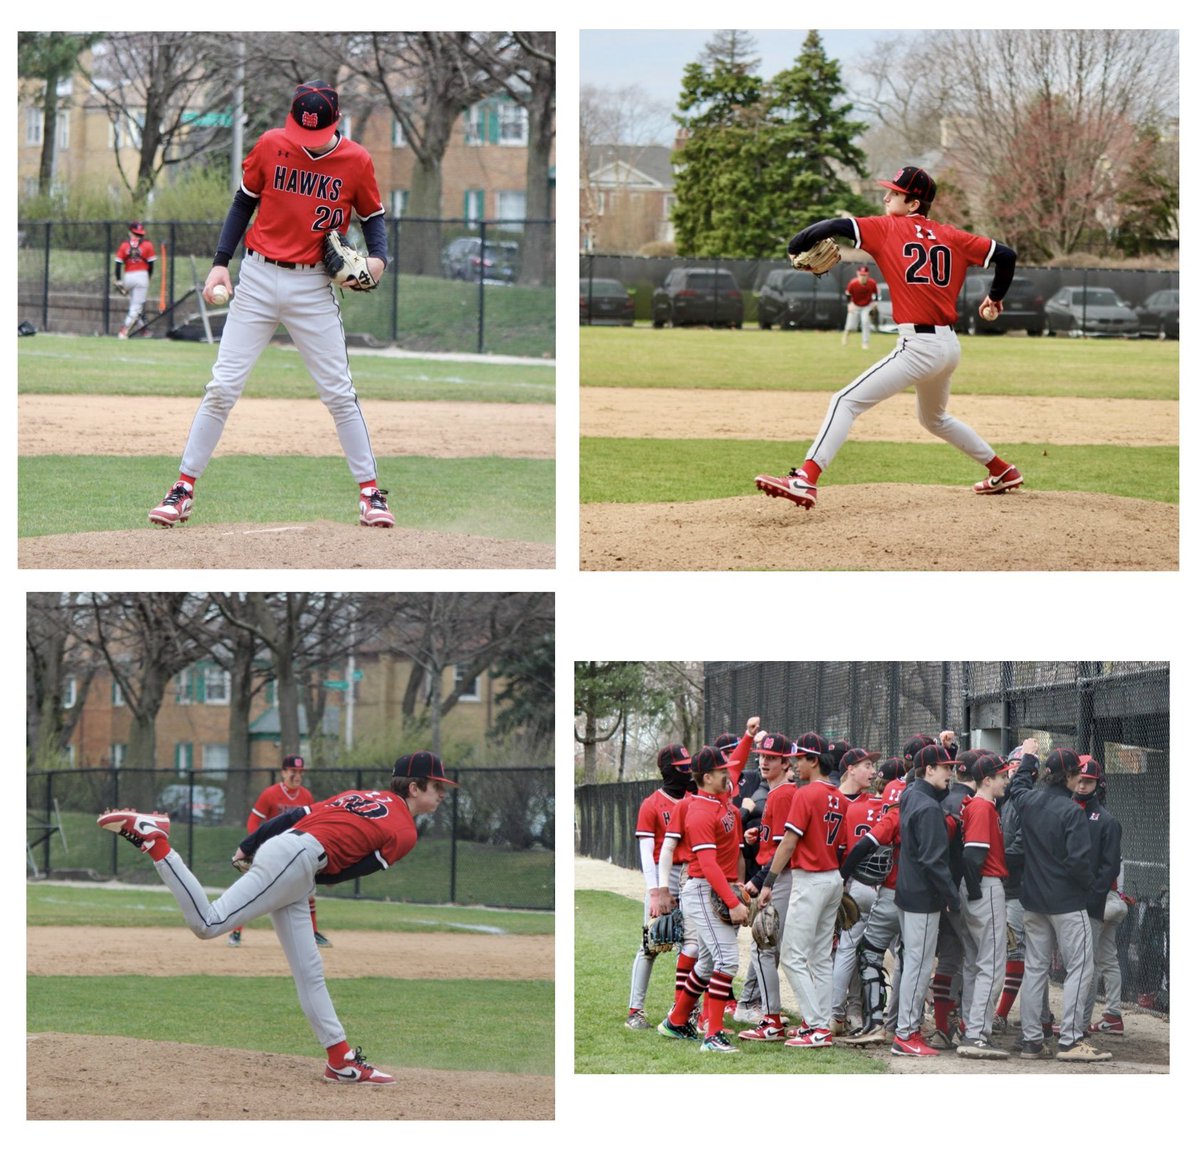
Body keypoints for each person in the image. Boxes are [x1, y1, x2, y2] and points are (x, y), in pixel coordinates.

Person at [97, 750, 458, 1083]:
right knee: (208, 924)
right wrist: (294, 871)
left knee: (309, 968)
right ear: (414, 787)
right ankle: (155, 840)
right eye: (437, 786)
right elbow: (337, 875)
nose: (443, 793)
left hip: (290, 852)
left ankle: (340, 1059)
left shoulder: (359, 795)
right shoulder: (405, 832)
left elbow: (293, 817)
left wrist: (250, 845)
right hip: (299, 861)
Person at [148, 81, 393, 531]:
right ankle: (182, 489)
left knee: (339, 393)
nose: (307, 139)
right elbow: (244, 202)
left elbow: (373, 217)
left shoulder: (356, 160)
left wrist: (378, 260)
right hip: (258, 277)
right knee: (222, 388)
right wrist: (220, 264)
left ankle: (371, 494)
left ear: (336, 123)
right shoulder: (270, 145)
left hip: (314, 287)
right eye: (302, 130)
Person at [755, 165, 1023, 510]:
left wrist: (795, 245)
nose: (886, 197)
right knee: (934, 419)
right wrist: (996, 296)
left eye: (894, 193)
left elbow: (832, 227)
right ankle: (1002, 471)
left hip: (919, 348)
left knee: (845, 402)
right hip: (948, 347)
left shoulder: (887, 228)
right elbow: (1006, 255)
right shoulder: (953, 236)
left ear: (913, 204)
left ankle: (805, 479)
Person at [1005, 746, 1112, 1062]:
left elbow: (1018, 785)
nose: (1080, 777)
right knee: (1080, 967)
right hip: (1066, 901)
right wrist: (1089, 887)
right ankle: (1071, 1040)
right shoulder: (1071, 812)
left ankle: (1032, 1041)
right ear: (1068, 776)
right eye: (1076, 772)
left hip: (1033, 901)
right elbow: (1079, 863)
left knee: (1035, 969)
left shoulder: (1029, 801)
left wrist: (1027, 757)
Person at [758, 731, 847, 1049]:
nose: (795, 763)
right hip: (832, 877)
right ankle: (817, 1023)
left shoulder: (805, 795)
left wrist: (768, 881)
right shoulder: (837, 794)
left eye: (799, 758)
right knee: (821, 958)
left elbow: (789, 842)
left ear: (814, 760)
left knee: (794, 957)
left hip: (809, 879)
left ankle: (818, 1026)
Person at [657, 746, 748, 1054]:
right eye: (722, 771)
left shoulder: (716, 797)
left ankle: (677, 1020)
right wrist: (733, 903)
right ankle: (714, 1036)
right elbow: (707, 865)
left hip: (714, 887)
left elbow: (735, 768)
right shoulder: (698, 810)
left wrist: (748, 737)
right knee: (727, 960)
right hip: (702, 890)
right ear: (707, 777)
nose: (729, 775)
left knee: (708, 962)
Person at [891, 744, 961, 1057]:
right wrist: (952, 897)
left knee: (911, 965)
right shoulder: (929, 807)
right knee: (918, 967)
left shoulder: (910, 794)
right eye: (945, 768)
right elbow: (935, 861)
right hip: (923, 897)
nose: (951, 773)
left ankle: (904, 1029)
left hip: (907, 893)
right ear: (928, 770)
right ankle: (906, 1033)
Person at [228, 754, 331, 949]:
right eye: (293, 771)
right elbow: (253, 820)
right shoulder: (270, 794)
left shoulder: (306, 795)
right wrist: (255, 845)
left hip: (295, 850)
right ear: (283, 772)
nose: (297, 775)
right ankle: (236, 931)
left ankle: (314, 932)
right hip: (271, 850)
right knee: (253, 889)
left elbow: (310, 822)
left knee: (307, 889)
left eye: (300, 772)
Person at [625, 743, 693, 1029]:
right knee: (650, 944)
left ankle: (685, 1010)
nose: (687, 772)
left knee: (689, 946)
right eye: (681, 768)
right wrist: (655, 892)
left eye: (689, 766)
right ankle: (635, 1011)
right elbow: (646, 853)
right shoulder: (652, 804)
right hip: (662, 877)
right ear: (667, 770)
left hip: (691, 876)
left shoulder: (695, 798)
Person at [736, 732, 798, 1041]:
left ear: (787, 762)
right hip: (781, 877)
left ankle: (770, 1018)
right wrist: (757, 834)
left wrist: (761, 882)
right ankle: (764, 1011)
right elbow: (776, 840)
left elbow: (784, 849)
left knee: (764, 949)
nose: (763, 761)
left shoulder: (783, 794)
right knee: (768, 950)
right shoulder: (779, 793)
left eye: (771, 758)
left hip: (781, 879)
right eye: (761, 756)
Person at [955, 752, 1011, 1059]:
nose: (1006, 780)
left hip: (977, 888)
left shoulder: (979, 804)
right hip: (984, 887)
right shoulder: (981, 806)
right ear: (986, 780)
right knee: (991, 965)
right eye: (1001, 776)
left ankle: (970, 1028)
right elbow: (972, 856)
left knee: (975, 963)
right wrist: (976, 896)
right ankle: (977, 1033)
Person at [1073, 756, 1127, 1038]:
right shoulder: (1068, 810)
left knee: (1088, 964)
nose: (1082, 785)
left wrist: (1091, 899)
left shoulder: (1106, 820)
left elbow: (1110, 868)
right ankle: (1112, 1014)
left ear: (1098, 784)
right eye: (1079, 779)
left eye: (1089, 781)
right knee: (1105, 960)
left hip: (1101, 901)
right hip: (1104, 900)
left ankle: (1079, 1024)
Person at [113, 222, 156, 339]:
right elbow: (151, 264)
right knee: (136, 307)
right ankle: (123, 331)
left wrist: (118, 279)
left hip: (128, 276)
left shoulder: (124, 245)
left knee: (135, 304)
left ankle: (144, 330)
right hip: (141, 276)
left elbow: (118, 263)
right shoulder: (147, 245)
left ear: (129, 233)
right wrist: (149, 276)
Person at [842, 265, 878, 349]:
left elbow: (876, 294)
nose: (863, 277)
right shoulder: (853, 283)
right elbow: (848, 294)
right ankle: (846, 334)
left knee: (865, 322)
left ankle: (865, 343)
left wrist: (875, 303)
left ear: (867, 275)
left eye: (864, 275)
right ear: (857, 274)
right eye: (861, 275)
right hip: (855, 305)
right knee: (851, 326)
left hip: (867, 306)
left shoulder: (872, 283)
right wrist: (849, 305)